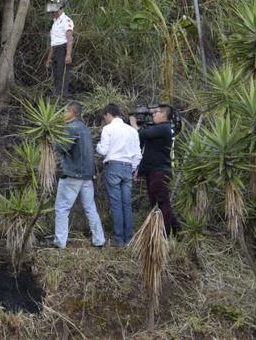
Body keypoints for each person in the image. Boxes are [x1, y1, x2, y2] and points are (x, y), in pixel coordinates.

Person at [51, 102, 105, 249]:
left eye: (64, 111)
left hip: (73, 174)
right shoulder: (86, 129)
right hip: (87, 175)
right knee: (90, 208)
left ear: (72, 112)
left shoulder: (71, 128)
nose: (62, 114)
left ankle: (59, 242)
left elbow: (61, 147)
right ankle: (99, 240)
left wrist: (52, 137)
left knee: (62, 208)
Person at [97, 103, 142, 246]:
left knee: (116, 204)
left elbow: (103, 151)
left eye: (105, 117)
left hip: (114, 167)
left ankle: (118, 239)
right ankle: (128, 238)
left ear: (108, 114)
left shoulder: (108, 129)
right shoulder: (132, 131)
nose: (105, 120)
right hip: (128, 167)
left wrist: (97, 146)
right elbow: (137, 154)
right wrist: (133, 169)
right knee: (126, 204)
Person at [133, 105, 180, 236]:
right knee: (159, 204)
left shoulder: (164, 128)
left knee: (162, 204)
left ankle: (165, 235)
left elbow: (142, 134)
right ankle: (177, 232)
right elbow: (147, 152)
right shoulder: (160, 129)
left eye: (156, 112)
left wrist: (133, 124)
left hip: (159, 173)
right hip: (154, 172)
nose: (153, 114)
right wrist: (139, 170)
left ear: (164, 115)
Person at [44, 0, 73, 99]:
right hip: (56, 49)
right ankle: (56, 95)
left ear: (59, 7)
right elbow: (53, 42)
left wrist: (68, 55)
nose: (51, 10)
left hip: (63, 49)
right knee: (56, 74)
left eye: (53, 6)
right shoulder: (54, 22)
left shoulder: (66, 20)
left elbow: (69, 38)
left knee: (63, 74)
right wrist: (49, 58)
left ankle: (62, 97)